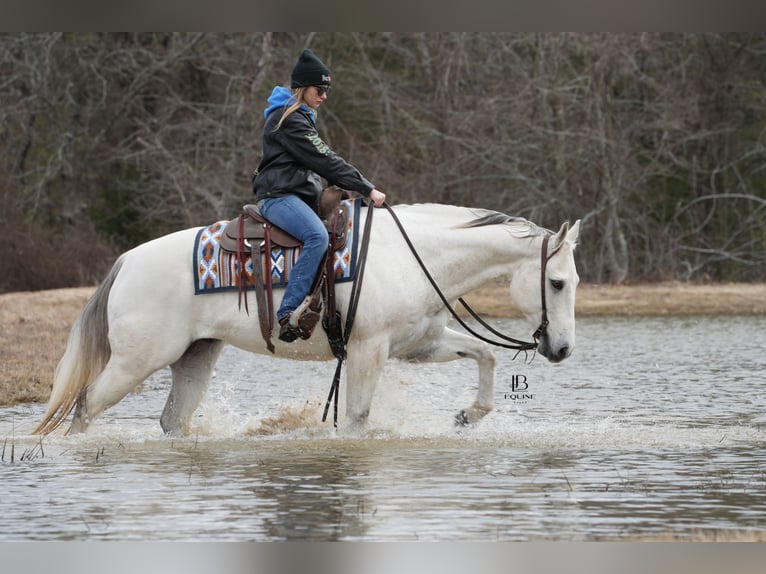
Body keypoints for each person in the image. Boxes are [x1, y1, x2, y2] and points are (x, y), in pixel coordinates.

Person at [252, 48, 386, 343]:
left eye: (327, 90)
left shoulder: (300, 116)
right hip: (277, 197)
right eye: (320, 89)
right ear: (302, 88)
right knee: (318, 237)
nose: (324, 95)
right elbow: (325, 159)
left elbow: (319, 162)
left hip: (295, 196)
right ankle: (288, 313)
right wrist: (367, 188)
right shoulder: (288, 119)